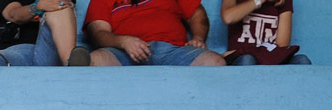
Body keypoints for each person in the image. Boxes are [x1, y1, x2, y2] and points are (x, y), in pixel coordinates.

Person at [85, 0, 226, 65]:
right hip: (125, 52)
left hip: (173, 51)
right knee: (92, 60)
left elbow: (197, 15)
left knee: (215, 62)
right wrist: (123, 42)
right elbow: (98, 33)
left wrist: (198, 38)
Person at [0, 0, 93, 67]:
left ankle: (72, 66)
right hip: (17, 53)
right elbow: (13, 15)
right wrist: (37, 7)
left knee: (60, 7)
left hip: (49, 52)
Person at [222, 0, 309, 64]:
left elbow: (282, 45)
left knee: (302, 60)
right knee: (248, 59)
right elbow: (228, 18)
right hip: (242, 58)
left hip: (270, 58)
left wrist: (243, 50)